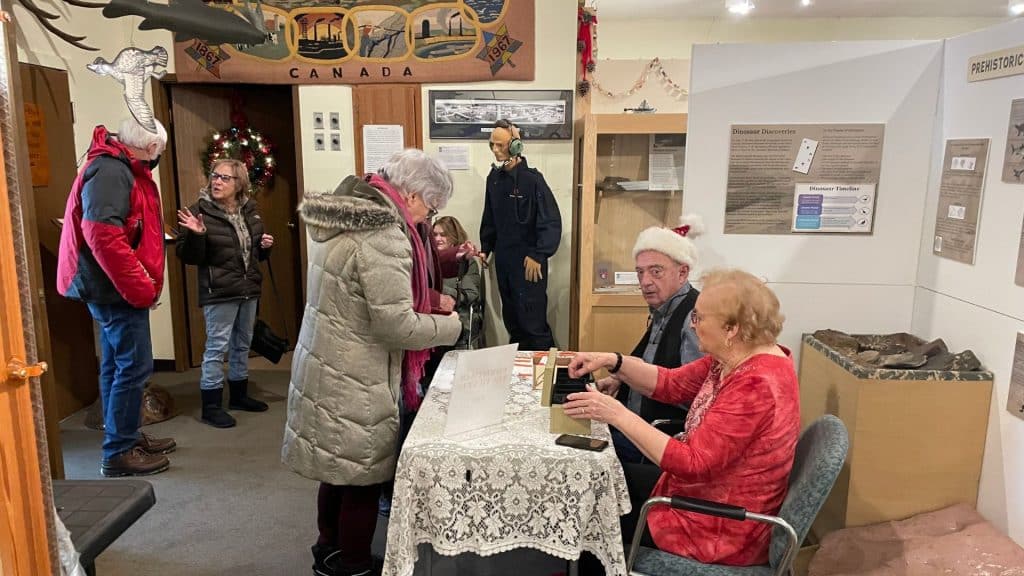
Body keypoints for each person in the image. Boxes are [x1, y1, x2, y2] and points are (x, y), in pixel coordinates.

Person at [282, 149, 462, 576]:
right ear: (414, 196)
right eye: (430, 210)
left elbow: (367, 292)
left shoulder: (353, 214)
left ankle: (327, 548)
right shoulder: (385, 235)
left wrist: (429, 295)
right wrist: (451, 329)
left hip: (327, 360)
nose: (425, 221)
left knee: (336, 469)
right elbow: (395, 325)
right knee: (362, 474)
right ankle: (355, 563)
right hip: (355, 372)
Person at [565, 269, 800, 570]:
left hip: (717, 525)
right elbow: (670, 383)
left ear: (731, 329)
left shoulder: (758, 384)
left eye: (699, 318)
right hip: (701, 495)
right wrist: (615, 361)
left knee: (588, 513)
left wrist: (614, 413)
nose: (693, 323)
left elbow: (693, 463)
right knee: (594, 482)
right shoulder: (734, 357)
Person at [56, 117, 176, 477]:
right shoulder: (111, 171)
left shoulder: (117, 165)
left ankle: (123, 437)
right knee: (134, 366)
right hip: (112, 288)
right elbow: (104, 238)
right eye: (161, 151)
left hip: (108, 286)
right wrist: (140, 287)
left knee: (115, 364)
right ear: (152, 147)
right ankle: (119, 451)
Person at [175, 159, 275, 429]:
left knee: (243, 343)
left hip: (248, 288)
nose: (216, 181)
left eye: (224, 178)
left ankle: (239, 396)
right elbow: (188, 256)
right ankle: (211, 406)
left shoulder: (249, 211)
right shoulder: (199, 212)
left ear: (239, 183)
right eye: (214, 176)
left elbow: (251, 254)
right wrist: (196, 235)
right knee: (216, 348)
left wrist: (264, 246)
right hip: (219, 290)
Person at [601, 215, 705, 464]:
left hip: (657, 439)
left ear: (683, 273)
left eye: (656, 272)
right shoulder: (663, 311)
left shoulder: (694, 318)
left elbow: (693, 395)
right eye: (640, 272)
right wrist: (619, 378)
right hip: (636, 425)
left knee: (578, 452)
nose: (645, 281)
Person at [480, 118, 561, 350]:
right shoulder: (494, 180)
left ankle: (546, 378)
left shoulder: (533, 181)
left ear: (515, 145)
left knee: (533, 324)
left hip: (529, 264)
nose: (495, 150)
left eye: (501, 145)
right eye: (492, 145)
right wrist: (485, 248)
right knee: (513, 322)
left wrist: (539, 254)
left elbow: (551, 220)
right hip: (504, 261)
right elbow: (490, 218)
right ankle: (520, 374)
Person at [432, 216, 483, 349]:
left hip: (458, 313)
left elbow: (471, 294)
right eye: (434, 235)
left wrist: (439, 289)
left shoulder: (466, 261)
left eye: (443, 235)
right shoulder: (428, 259)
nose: (437, 239)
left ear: (454, 237)